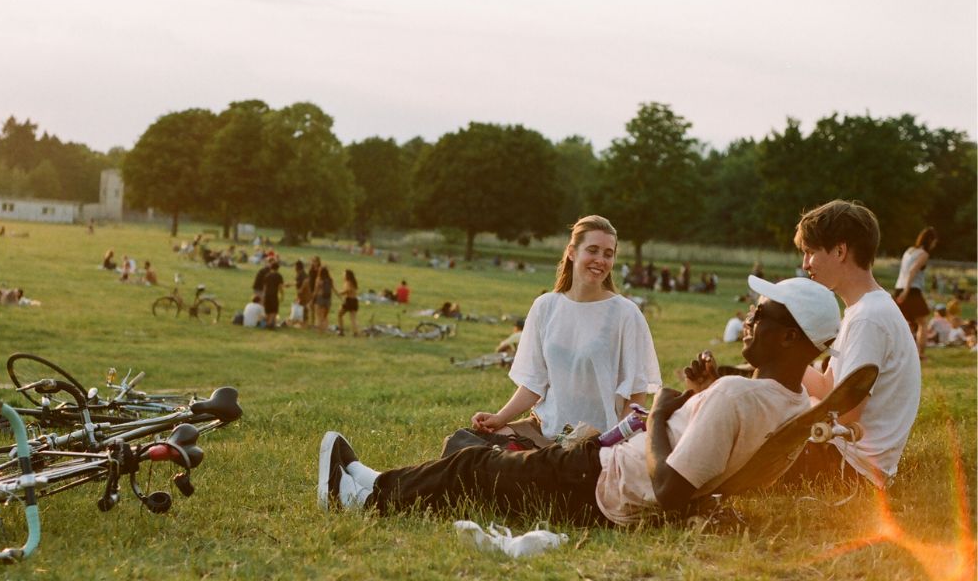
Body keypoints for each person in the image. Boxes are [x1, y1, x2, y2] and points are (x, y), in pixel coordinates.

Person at [318, 275, 839, 524]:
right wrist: (698, 399)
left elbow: (672, 488)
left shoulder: (737, 395)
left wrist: (659, 411)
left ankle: (362, 496)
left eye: (761, 315)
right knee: (480, 466)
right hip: (601, 474)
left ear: (791, 338)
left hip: (598, 482)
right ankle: (371, 480)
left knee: (472, 464)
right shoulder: (789, 403)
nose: (748, 320)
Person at [471, 216, 662, 447]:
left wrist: (617, 448)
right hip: (545, 430)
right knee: (472, 444)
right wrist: (500, 418)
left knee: (531, 470)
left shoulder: (626, 314)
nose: (600, 260)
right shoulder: (545, 306)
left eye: (608, 254)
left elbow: (635, 396)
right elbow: (534, 384)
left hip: (596, 442)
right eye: (593, 250)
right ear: (572, 252)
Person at [788, 199, 920, 487]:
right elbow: (827, 389)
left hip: (848, 467)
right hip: (848, 461)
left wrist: (796, 405)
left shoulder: (868, 318)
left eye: (810, 252)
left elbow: (844, 417)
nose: (805, 264)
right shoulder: (862, 310)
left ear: (840, 251)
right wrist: (782, 356)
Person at [893, 226, 937, 356]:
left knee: (900, 322)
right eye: (934, 241)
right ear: (930, 240)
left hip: (898, 287)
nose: (934, 245)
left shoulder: (909, 251)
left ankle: (897, 352)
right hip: (911, 289)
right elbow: (912, 271)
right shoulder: (924, 254)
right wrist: (906, 291)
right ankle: (920, 354)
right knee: (923, 322)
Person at [262, 260, 284, 329]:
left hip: (267, 295)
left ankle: (268, 323)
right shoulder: (279, 276)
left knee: (268, 310)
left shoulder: (267, 275)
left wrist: (264, 296)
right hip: (274, 295)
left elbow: (264, 287)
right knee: (274, 310)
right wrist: (282, 295)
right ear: (278, 268)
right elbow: (280, 287)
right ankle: (270, 324)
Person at [338, 269, 360, 337]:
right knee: (353, 318)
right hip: (355, 301)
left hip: (349, 301)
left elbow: (348, 290)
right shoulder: (353, 282)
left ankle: (341, 331)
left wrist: (341, 292)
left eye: (344, 274)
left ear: (347, 275)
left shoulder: (348, 282)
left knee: (339, 314)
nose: (343, 275)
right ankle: (355, 332)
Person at [313, 266, 336, 333]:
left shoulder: (319, 279)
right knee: (325, 316)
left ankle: (320, 329)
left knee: (319, 315)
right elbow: (333, 289)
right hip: (328, 299)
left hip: (320, 298)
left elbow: (316, 290)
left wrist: (312, 299)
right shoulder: (330, 280)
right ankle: (325, 328)